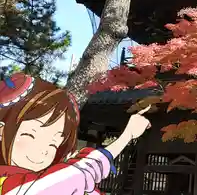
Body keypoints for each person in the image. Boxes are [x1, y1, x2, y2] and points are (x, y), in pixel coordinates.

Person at [0, 72, 152, 194]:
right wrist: (126, 136)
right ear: (1, 130)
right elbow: (69, 178)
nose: (43, 150)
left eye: (53, 144)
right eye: (31, 135)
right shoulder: (9, 185)